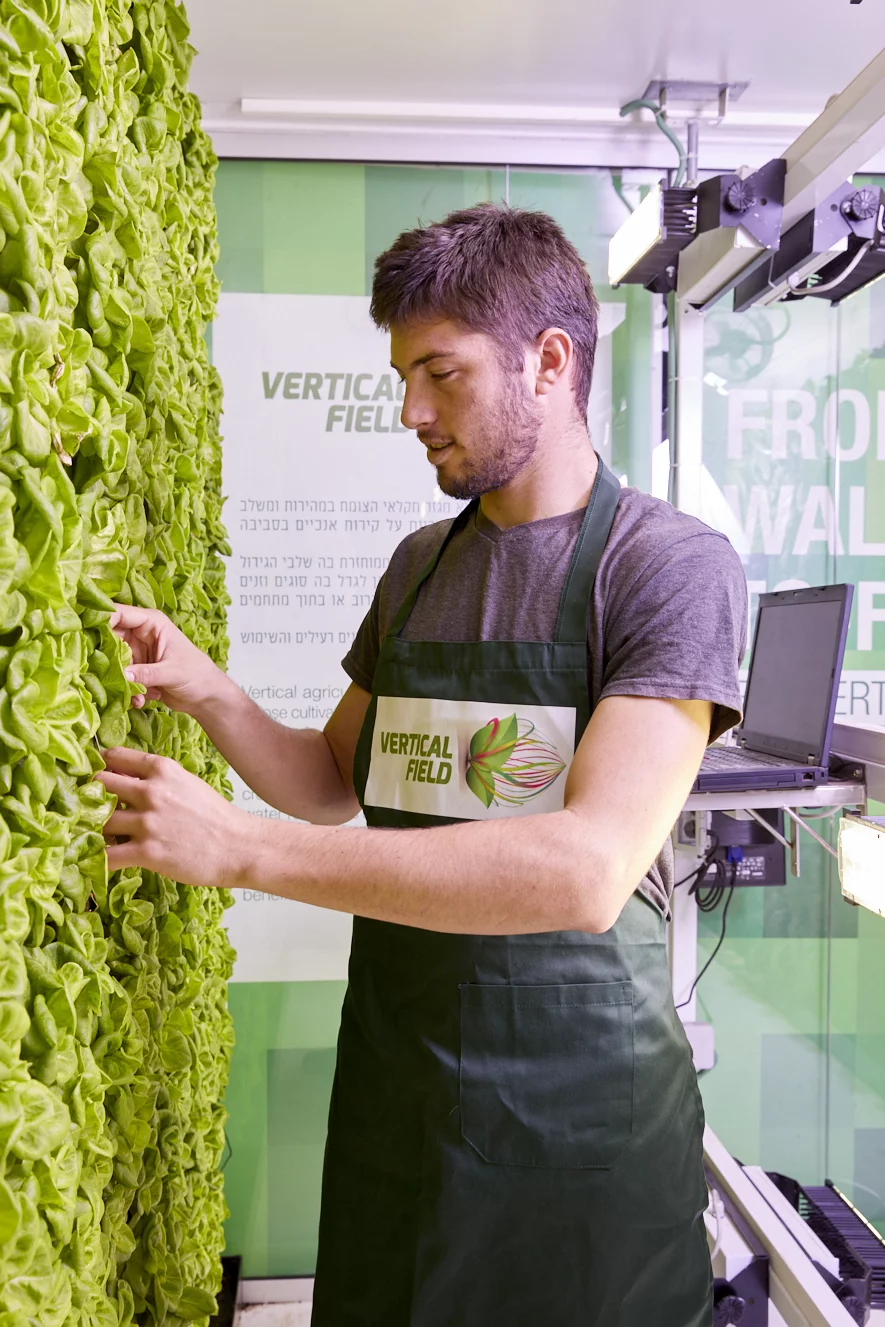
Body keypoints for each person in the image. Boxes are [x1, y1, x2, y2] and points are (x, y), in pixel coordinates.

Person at [100, 205, 747, 1327]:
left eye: (440, 374)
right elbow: (329, 780)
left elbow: (586, 870)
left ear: (550, 362)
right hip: (403, 1107)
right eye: (405, 376)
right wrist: (206, 686)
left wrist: (242, 851)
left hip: (579, 1143)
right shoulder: (418, 568)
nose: (410, 411)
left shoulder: (666, 569)